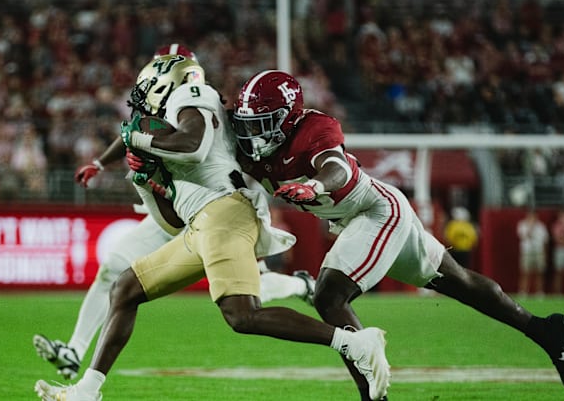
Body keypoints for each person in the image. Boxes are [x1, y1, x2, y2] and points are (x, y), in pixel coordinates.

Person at [34, 55, 391, 401]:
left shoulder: (193, 95)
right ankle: (87, 391)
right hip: (201, 222)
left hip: (224, 213)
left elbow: (194, 146)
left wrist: (141, 141)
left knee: (243, 315)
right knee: (126, 288)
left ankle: (355, 343)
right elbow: (171, 220)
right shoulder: (170, 128)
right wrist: (145, 179)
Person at [231, 70, 564, 398]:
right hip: (356, 219)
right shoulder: (244, 147)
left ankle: (372, 394)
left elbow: (334, 167)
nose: (252, 133)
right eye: (248, 124)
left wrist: (315, 186)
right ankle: (544, 329)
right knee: (459, 282)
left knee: (328, 297)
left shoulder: (315, 127)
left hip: (376, 211)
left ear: (289, 117)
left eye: (262, 123)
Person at [517, 209, 549, 296]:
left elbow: (545, 242)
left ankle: (539, 292)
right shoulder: (522, 225)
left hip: (538, 252)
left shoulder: (541, 226)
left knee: (539, 273)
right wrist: (530, 226)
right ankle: (523, 291)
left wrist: (544, 254)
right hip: (527, 252)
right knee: (525, 272)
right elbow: (524, 236)